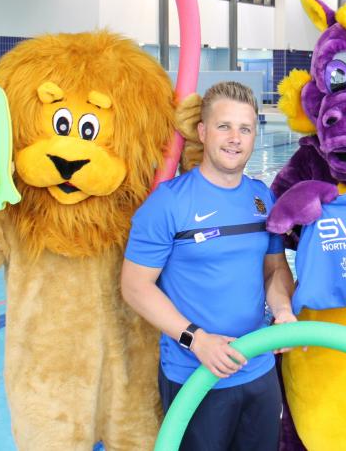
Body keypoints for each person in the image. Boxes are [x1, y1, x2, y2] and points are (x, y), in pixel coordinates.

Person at [121, 81, 295, 451]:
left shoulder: (262, 197)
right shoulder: (167, 204)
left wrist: (282, 310)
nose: (235, 138)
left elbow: (275, 269)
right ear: (202, 132)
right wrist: (195, 339)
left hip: (259, 370)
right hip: (194, 376)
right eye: (224, 126)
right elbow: (135, 287)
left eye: (245, 129)